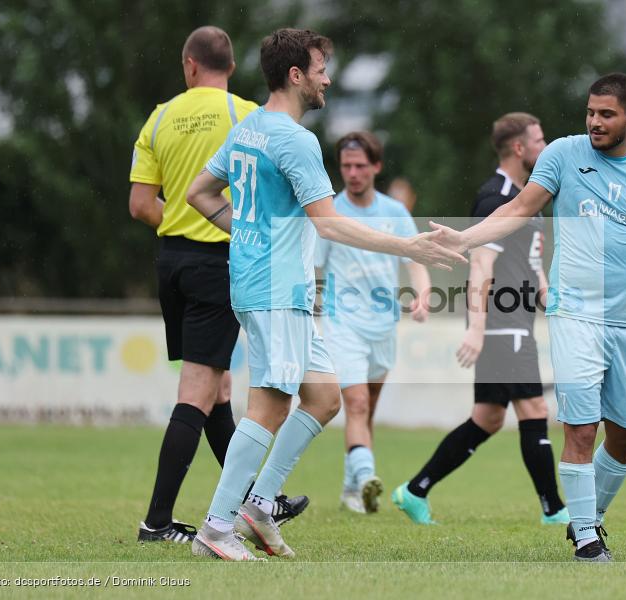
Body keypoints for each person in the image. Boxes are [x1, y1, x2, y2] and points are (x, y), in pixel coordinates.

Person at [185, 28, 464, 561]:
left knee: (323, 397)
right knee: (269, 404)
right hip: (274, 288)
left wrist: (247, 230)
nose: (327, 79)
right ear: (296, 75)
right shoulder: (294, 139)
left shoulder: (249, 130)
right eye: (320, 69)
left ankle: (259, 506)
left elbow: (198, 192)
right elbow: (331, 225)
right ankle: (216, 528)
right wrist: (411, 248)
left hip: (265, 283)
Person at [427, 73, 626, 562]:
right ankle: (587, 538)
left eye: (606, 114)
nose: (594, 122)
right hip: (574, 316)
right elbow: (520, 207)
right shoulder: (563, 155)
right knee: (581, 428)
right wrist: (465, 238)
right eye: (590, 112)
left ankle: (588, 518)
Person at [128, 26, 307, 545]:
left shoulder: (160, 116)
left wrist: (181, 226)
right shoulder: (247, 115)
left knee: (219, 391)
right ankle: (157, 523)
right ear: (230, 67)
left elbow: (141, 205)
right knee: (199, 389)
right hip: (219, 261)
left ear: (189, 65)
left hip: (172, 260)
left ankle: (252, 499)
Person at [392, 113, 570, 526]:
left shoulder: (527, 197)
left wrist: (549, 297)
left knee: (487, 419)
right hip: (501, 324)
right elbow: (481, 267)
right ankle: (554, 509)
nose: (547, 148)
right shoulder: (496, 199)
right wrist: (476, 329)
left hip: (516, 322)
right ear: (519, 149)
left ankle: (415, 490)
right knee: (534, 407)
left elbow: (528, 263)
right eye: (540, 141)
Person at [315, 132, 431, 514]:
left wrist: (422, 293)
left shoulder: (394, 212)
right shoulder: (330, 211)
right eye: (346, 166)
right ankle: (367, 478)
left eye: (360, 166)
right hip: (341, 322)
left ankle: (351, 486)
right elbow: (315, 266)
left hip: (383, 324)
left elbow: (415, 258)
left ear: (376, 167)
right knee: (358, 402)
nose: (352, 173)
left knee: (369, 406)